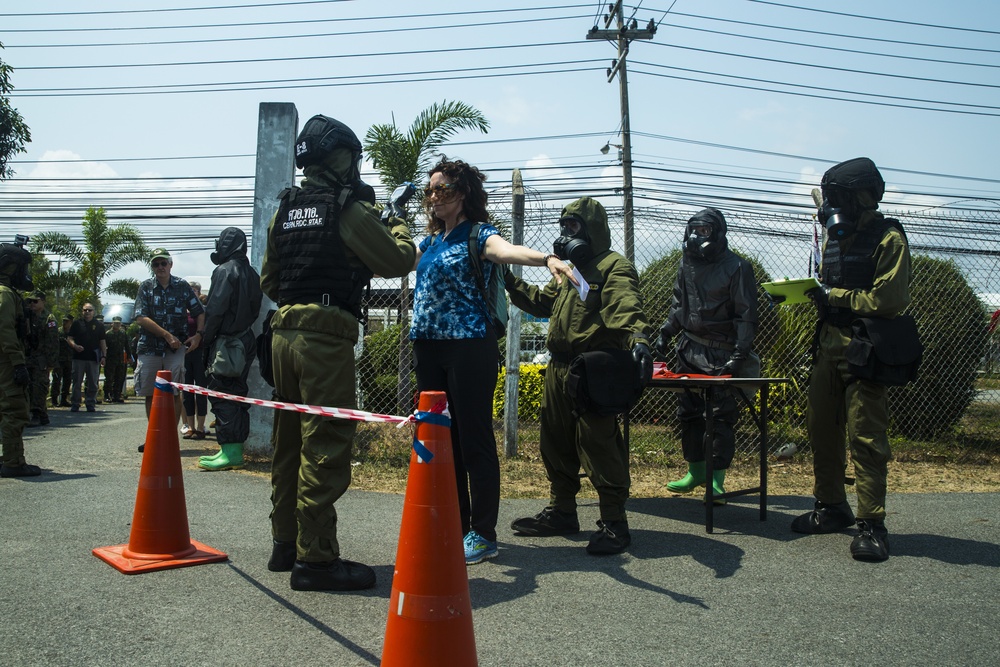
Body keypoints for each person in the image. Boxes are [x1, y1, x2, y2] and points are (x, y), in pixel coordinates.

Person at [260, 114, 415, 591]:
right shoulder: (347, 208)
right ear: (339, 158)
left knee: (288, 443)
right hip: (324, 338)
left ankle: (286, 545)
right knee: (324, 444)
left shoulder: (284, 208)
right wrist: (398, 223)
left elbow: (270, 278)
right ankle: (318, 561)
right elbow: (398, 259)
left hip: (283, 335)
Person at [410, 157, 577, 566]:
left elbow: (508, 252)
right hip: (427, 348)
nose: (434, 197)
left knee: (474, 441)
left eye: (443, 189)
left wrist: (548, 260)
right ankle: (456, 524)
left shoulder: (479, 235)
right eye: (430, 190)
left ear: (463, 194)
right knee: (439, 442)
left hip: (469, 348)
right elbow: (389, 258)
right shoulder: (429, 244)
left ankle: (483, 533)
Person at [505, 196, 653, 555]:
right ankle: (562, 511)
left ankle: (614, 522)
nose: (565, 235)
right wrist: (507, 279)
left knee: (598, 442)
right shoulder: (569, 271)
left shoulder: (613, 267)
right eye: (564, 227)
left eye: (573, 227)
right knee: (554, 440)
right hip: (558, 367)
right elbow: (542, 301)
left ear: (592, 229)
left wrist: (639, 339)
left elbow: (626, 306)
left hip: (592, 370)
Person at [790, 157, 911, 563]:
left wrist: (834, 297)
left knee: (865, 436)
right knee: (821, 428)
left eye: (837, 197)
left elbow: (889, 301)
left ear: (861, 196)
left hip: (866, 345)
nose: (830, 205)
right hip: (828, 344)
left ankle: (872, 525)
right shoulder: (833, 237)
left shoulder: (888, 238)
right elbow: (827, 283)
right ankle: (831, 506)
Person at [655, 208, 759, 502]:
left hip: (722, 352)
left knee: (719, 417)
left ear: (718, 234)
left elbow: (746, 315)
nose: (696, 237)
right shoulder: (686, 263)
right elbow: (679, 304)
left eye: (704, 232)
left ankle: (716, 480)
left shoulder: (738, 267)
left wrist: (740, 354)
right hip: (689, 349)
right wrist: (665, 333)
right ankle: (695, 472)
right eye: (693, 231)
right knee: (688, 414)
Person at [197, 228, 262, 471]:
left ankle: (230, 452)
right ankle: (231, 449)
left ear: (225, 245)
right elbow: (255, 309)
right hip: (245, 340)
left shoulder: (224, 271)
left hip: (226, 342)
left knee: (222, 393)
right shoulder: (253, 274)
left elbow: (214, 310)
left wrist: (206, 341)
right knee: (237, 394)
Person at [134, 248, 205, 453]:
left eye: (163, 263)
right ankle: (154, 437)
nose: (160, 267)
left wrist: (199, 335)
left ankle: (169, 438)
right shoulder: (145, 287)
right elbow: (140, 317)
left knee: (175, 392)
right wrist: (166, 335)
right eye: (156, 264)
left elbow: (199, 312)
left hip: (176, 351)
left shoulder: (182, 286)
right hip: (149, 348)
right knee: (150, 393)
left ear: (170, 265)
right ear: (152, 267)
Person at [0, 242, 40, 478]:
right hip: (6, 362)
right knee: (14, 410)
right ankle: (13, 462)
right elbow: (5, 331)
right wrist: (17, 363)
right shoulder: (5, 294)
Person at [23, 290, 59, 427]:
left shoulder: (49, 319)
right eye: (30, 301)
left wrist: (51, 362)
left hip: (42, 359)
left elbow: (53, 343)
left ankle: (37, 414)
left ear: (43, 302)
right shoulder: (28, 317)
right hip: (29, 357)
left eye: (35, 301)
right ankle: (42, 415)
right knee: (29, 386)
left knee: (39, 387)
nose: (32, 304)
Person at [180, 281, 209, 439]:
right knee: (187, 391)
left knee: (201, 391)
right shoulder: (181, 313)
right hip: (184, 354)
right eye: (190, 290)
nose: (193, 292)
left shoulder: (203, 312)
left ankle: (200, 427)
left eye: (195, 290)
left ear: (199, 293)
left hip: (200, 354)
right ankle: (189, 427)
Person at [66, 302, 106, 413]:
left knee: (93, 382)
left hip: (93, 358)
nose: (87, 312)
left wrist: (104, 356)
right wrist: (74, 346)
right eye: (85, 310)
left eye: (89, 310)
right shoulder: (77, 324)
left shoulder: (99, 325)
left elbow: (102, 341)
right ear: (82, 311)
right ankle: (75, 403)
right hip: (78, 357)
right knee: (77, 382)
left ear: (94, 312)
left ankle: (90, 403)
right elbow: (69, 338)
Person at [103, 315, 131, 404]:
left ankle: (117, 395)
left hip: (120, 359)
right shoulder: (108, 334)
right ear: (112, 324)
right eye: (115, 323)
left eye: (118, 323)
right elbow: (104, 346)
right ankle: (107, 395)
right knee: (109, 378)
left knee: (119, 378)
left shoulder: (123, 333)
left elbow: (127, 346)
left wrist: (129, 356)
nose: (117, 325)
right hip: (110, 359)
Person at [51, 315, 74, 407]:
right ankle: (54, 400)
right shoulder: (58, 331)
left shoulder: (73, 333)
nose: (64, 323)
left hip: (69, 360)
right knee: (56, 380)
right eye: (64, 321)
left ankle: (64, 399)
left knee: (67, 380)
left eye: (67, 321)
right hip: (59, 360)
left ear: (71, 322)